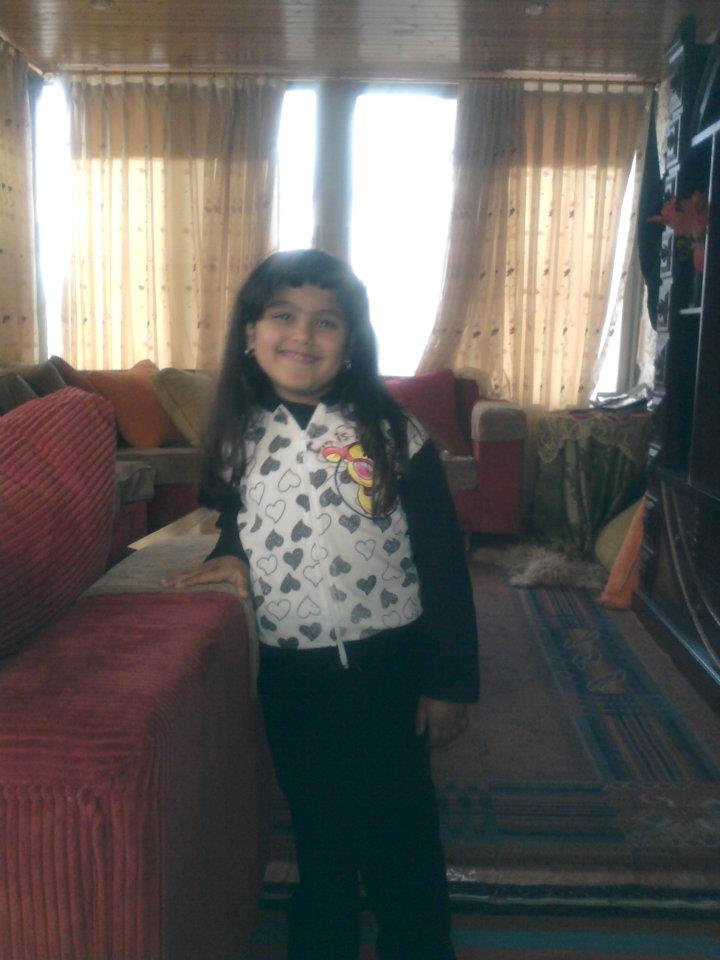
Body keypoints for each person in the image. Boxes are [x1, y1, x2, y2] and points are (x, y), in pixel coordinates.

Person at [164, 249, 479, 960]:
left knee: (402, 832)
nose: (303, 335)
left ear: (351, 342)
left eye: (326, 321)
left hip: (390, 665)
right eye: (283, 316)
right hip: (294, 674)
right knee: (322, 831)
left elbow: (442, 562)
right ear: (251, 333)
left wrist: (449, 682)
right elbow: (234, 516)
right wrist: (230, 553)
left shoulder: (395, 433)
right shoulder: (235, 435)